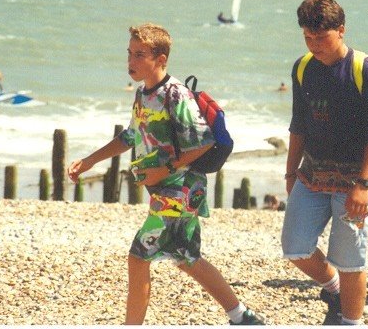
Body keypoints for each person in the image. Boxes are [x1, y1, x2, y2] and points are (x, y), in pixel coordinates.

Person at [67, 23, 264, 325]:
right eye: (130, 54)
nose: (131, 61)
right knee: (186, 258)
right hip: (166, 189)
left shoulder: (176, 94)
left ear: (160, 59)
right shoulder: (143, 94)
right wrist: (90, 160)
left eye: (140, 55)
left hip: (182, 188)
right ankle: (242, 316)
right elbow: (130, 137)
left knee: (138, 256)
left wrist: (165, 168)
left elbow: (203, 142)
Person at [281, 0, 368, 325]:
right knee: (295, 246)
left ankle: (350, 321)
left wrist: (362, 186)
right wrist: (290, 174)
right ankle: (333, 289)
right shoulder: (302, 68)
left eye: (321, 36)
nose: (314, 43)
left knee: (350, 260)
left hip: (356, 178)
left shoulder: (366, 71)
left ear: (341, 30)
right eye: (308, 36)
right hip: (313, 173)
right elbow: (298, 126)